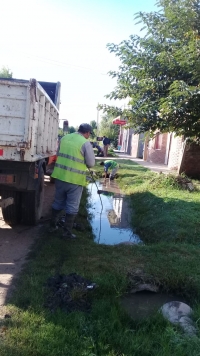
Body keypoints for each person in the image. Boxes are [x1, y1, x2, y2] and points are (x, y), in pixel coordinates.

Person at [50, 123, 95, 237]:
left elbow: (59, 154)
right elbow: (91, 163)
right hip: (74, 180)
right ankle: (67, 233)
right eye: (89, 134)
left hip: (60, 176)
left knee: (58, 202)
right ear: (87, 132)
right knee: (72, 206)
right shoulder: (85, 143)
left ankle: (52, 226)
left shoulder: (64, 138)